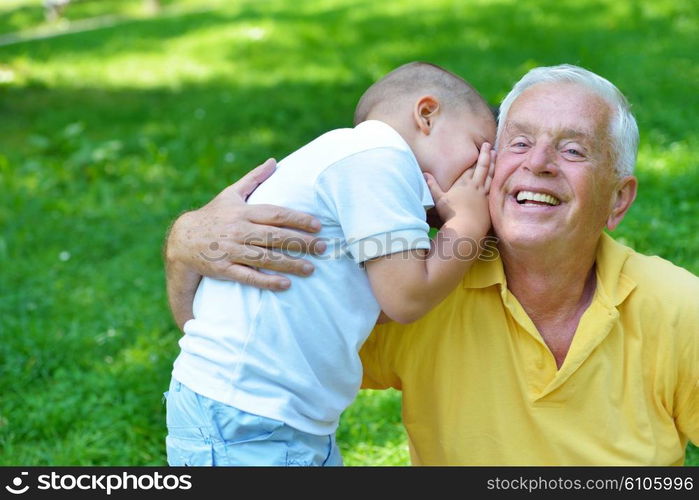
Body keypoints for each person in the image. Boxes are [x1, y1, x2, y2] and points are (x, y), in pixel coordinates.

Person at [164, 64, 698, 465]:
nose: (537, 163)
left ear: (618, 199)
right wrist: (184, 244)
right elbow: (242, 340)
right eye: (515, 143)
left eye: (574, 150)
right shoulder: (423, 277)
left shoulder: (679, 309)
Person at [164, 62, 498, 466]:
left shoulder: (354, 161)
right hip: (250, 414)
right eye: (479, 148)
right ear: (426, 114)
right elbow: (406, 299)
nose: (483, 171)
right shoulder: (380, 158)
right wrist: (467, 222)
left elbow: (374, 304)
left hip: (265, 409)